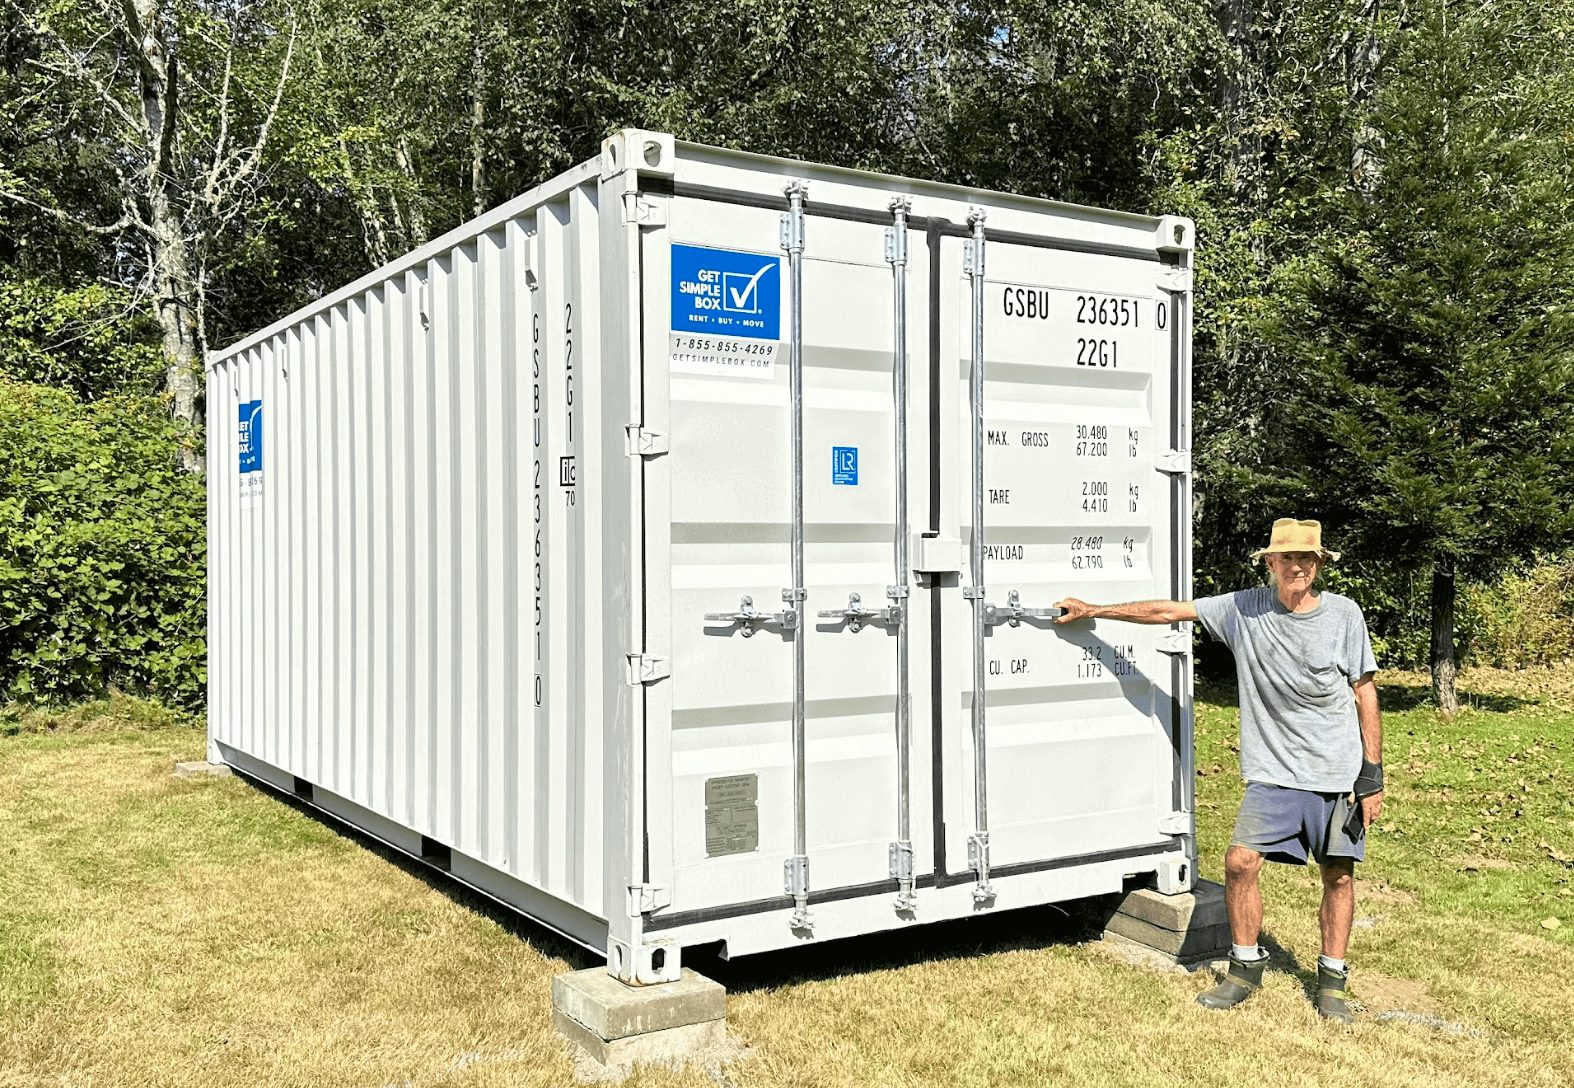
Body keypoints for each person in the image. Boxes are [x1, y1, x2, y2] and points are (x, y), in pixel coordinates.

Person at [1054, 518, 1383, 1023]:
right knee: (1238, 863)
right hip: (1273, 771)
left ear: (1318, 565)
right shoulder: (1243, 608)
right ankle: (1243, 969)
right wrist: (1095, 610)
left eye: (1307, 559)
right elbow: (1167, 610)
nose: (1298, 567)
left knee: (1338, 876)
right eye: (1287, 559)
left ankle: (1331, 981)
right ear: (1270, 563)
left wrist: (1372, 774)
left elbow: (1364, 691)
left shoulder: (1343, 615)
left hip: (1336, 773)